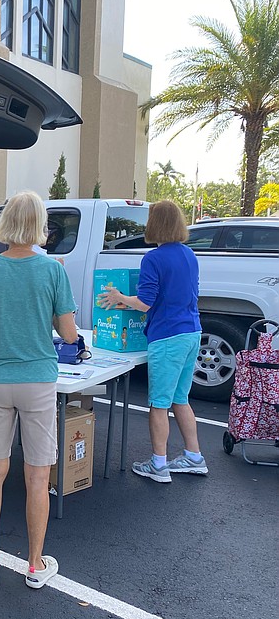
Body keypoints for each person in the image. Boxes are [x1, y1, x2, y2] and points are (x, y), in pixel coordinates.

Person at [0, 190, 77, 588]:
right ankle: (33, 564)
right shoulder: (53, 271)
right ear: (40, 226)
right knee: (36, 475)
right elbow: (68, 332)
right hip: (38, 380)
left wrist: (2, 321)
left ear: (6, 224)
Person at [97, 200, 207, 483]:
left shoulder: (153, 259)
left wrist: (119, 297)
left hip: (167, 336)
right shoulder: (189, 254)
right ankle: (194, 457)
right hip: (192, 332)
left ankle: (159, 464)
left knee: (159, 404)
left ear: (155, 224)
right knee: (180, 399)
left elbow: (145, 303)